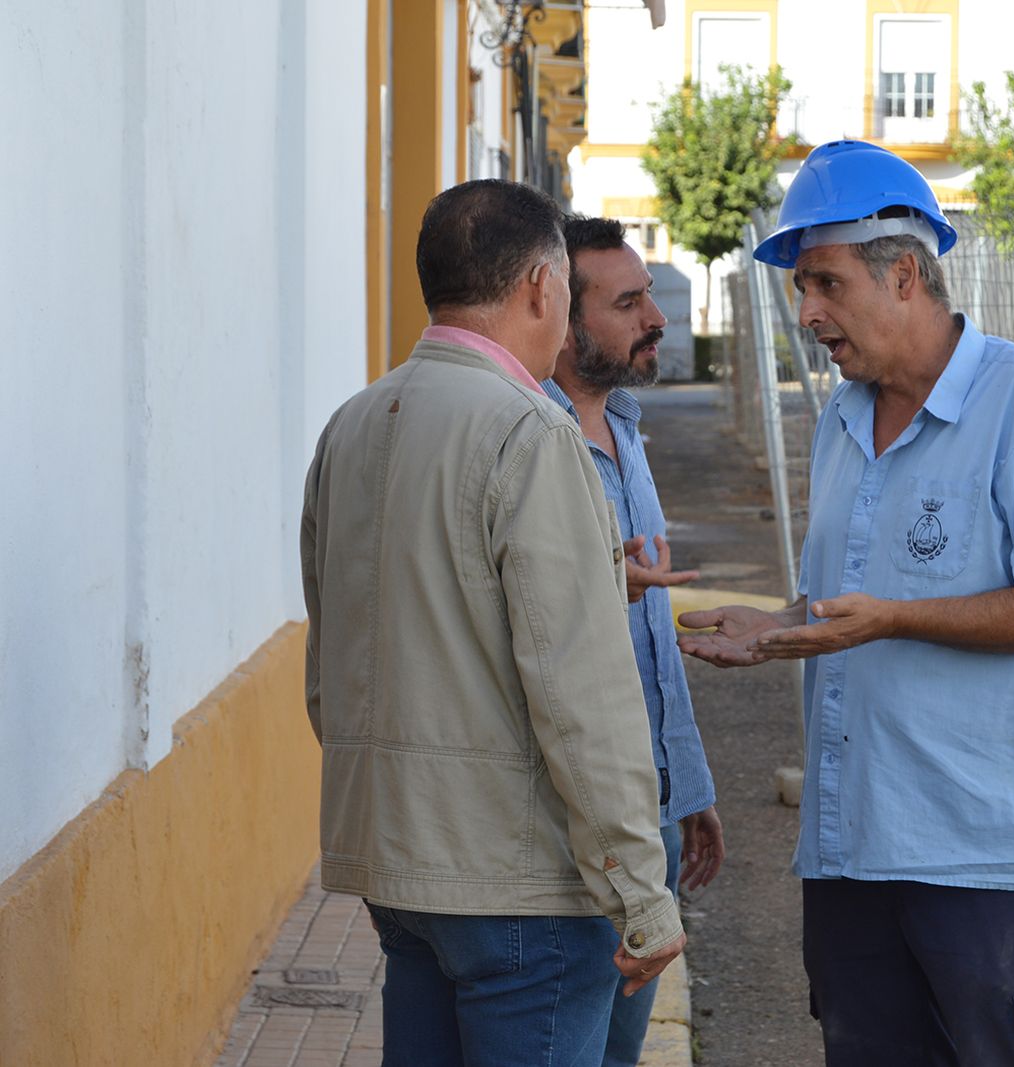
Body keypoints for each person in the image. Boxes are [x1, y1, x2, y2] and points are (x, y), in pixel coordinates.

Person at [678, 140, 1014, 1066]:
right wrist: (782, 626)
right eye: (802, 287)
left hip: (989, 857)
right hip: (853, 846)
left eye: (826, 284)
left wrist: (896, 619)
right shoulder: (844, 418)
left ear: (907, 275)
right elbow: (849, 597)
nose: (807, 314)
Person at [300, 179, 684, 1066]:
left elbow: (330, 666)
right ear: (542, 288)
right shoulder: (531, 433)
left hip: (396, 866)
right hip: (521, 889)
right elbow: (582, 692)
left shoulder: (351, 425)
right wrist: (641, 889)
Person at [540, 214, 726, 1066]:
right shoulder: (528, 441)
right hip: (573, 828)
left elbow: (649, 631)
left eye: (649, 293)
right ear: (563, 318)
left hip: (650, 813)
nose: (656, 316)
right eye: (627, 302)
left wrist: (687, 786)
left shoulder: (626, 425)